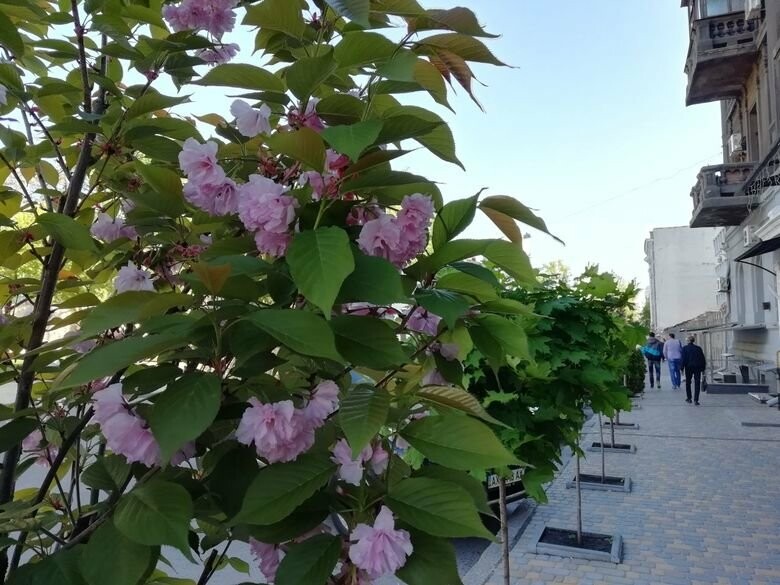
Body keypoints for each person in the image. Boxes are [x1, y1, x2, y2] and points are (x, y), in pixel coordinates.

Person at [681, 335, 706, 405]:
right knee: (697, 383)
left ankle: (689, 398)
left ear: (688, 341)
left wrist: (682, 368)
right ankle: (696, 400)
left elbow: (683, 359)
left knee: (688, 382)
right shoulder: (698, 348)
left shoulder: (685, 348)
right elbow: (702, 359)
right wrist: (703, 369)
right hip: (697, 367)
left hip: (688, 367)